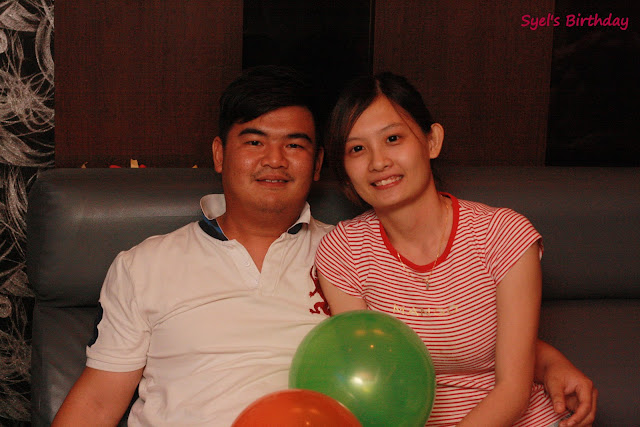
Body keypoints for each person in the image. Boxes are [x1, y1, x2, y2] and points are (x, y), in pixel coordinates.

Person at [53, 66, 596, 426]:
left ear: (316, 166)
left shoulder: (341, 251)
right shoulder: (144, 264)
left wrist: (546, 363)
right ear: (219, 154)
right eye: (254, 141)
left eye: (294, 145)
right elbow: (98, 401)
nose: (274, 160)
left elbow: (441, 327)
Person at [315, 72, 597, 427]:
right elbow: (370, 385)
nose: (378, 162)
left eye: (393, 138)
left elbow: (513, 390)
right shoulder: (343, 250)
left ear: (432, 141)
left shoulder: (502, 234)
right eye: (357, 149)